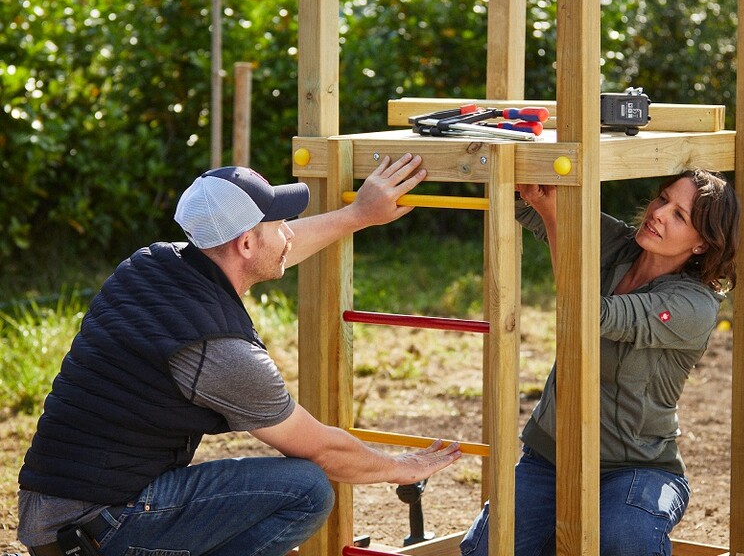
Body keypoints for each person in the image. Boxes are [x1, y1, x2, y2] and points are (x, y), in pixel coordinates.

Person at [18, 154, 461, 556]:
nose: (290, 232)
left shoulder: (151, 264)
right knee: (306, 488)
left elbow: (277, 249)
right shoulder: (221, 354)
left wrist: (358, 215)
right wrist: (399, 467)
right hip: (94, 529)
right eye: (278, 224)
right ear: (246, 243)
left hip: (54, 511)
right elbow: (324, 449)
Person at [461, 169, 740, 556]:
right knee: (486, 550)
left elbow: (588, 315)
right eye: (663, 199)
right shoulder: (617, 242)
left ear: (701, 245)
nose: (659, 213)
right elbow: (517, 204)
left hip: (636, 469)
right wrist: (528, 184)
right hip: (549, 456)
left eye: (680, 216)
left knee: (623, 539)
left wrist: (555, 214)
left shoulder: (694, 306)